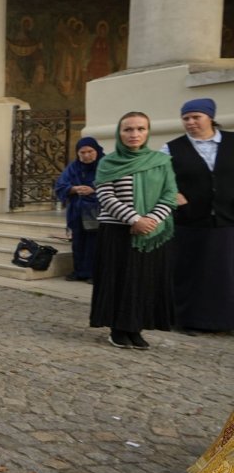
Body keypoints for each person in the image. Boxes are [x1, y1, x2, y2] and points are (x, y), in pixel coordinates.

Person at [90, 112, 177, 349]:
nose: (134, 134)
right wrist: (134, 219)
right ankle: (118, 329)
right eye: (128, 129)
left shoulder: (161, 161)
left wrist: (151, 219)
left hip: (152, 232)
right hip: (118, 231)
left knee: (144, 282)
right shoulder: (108, 162)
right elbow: (105, 196)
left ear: (148, 132)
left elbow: (170, 195)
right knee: (119, 280)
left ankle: (135, 328)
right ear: (120, 132)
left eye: (140, 129)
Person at [161, 98, 234, 334]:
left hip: (227, 219)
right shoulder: (171, 148)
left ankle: (227, 321)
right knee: (191, 273)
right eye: (186, 118)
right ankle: (190, 320)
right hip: (190, 221)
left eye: (196, 117)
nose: (191, 122)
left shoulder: (232, 142)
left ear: (210, 117)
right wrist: (174, 195)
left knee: (226, 273)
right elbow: (160, 178)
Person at [54, 137, 105, 282]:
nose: (87, 156)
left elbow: (113, 185)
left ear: (97, 150)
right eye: (82, 152)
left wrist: (94, 189)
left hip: (97, 211)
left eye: (90, 151)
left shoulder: (105, 165)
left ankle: (94, 273)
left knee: (94, 244)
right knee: (78, 243)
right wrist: (74, 189)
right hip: (77, 212)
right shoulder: (73, 167)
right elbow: (60, 185)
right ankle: (79, 272)